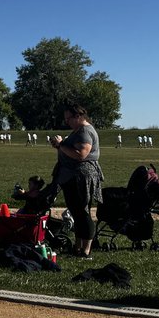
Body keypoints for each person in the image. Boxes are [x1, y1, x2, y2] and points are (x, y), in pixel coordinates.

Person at [51, 103, 103, 258]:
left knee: (82, 212)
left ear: (78, 116)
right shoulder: (79, 130)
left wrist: (61, 145)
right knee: (77, 212)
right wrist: (60, 146)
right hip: (73, 176)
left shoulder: (85, 132)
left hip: (81, 177)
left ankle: (86, 251)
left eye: (69, 118)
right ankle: (78, 247)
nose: (67, 121)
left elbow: (81, 154)